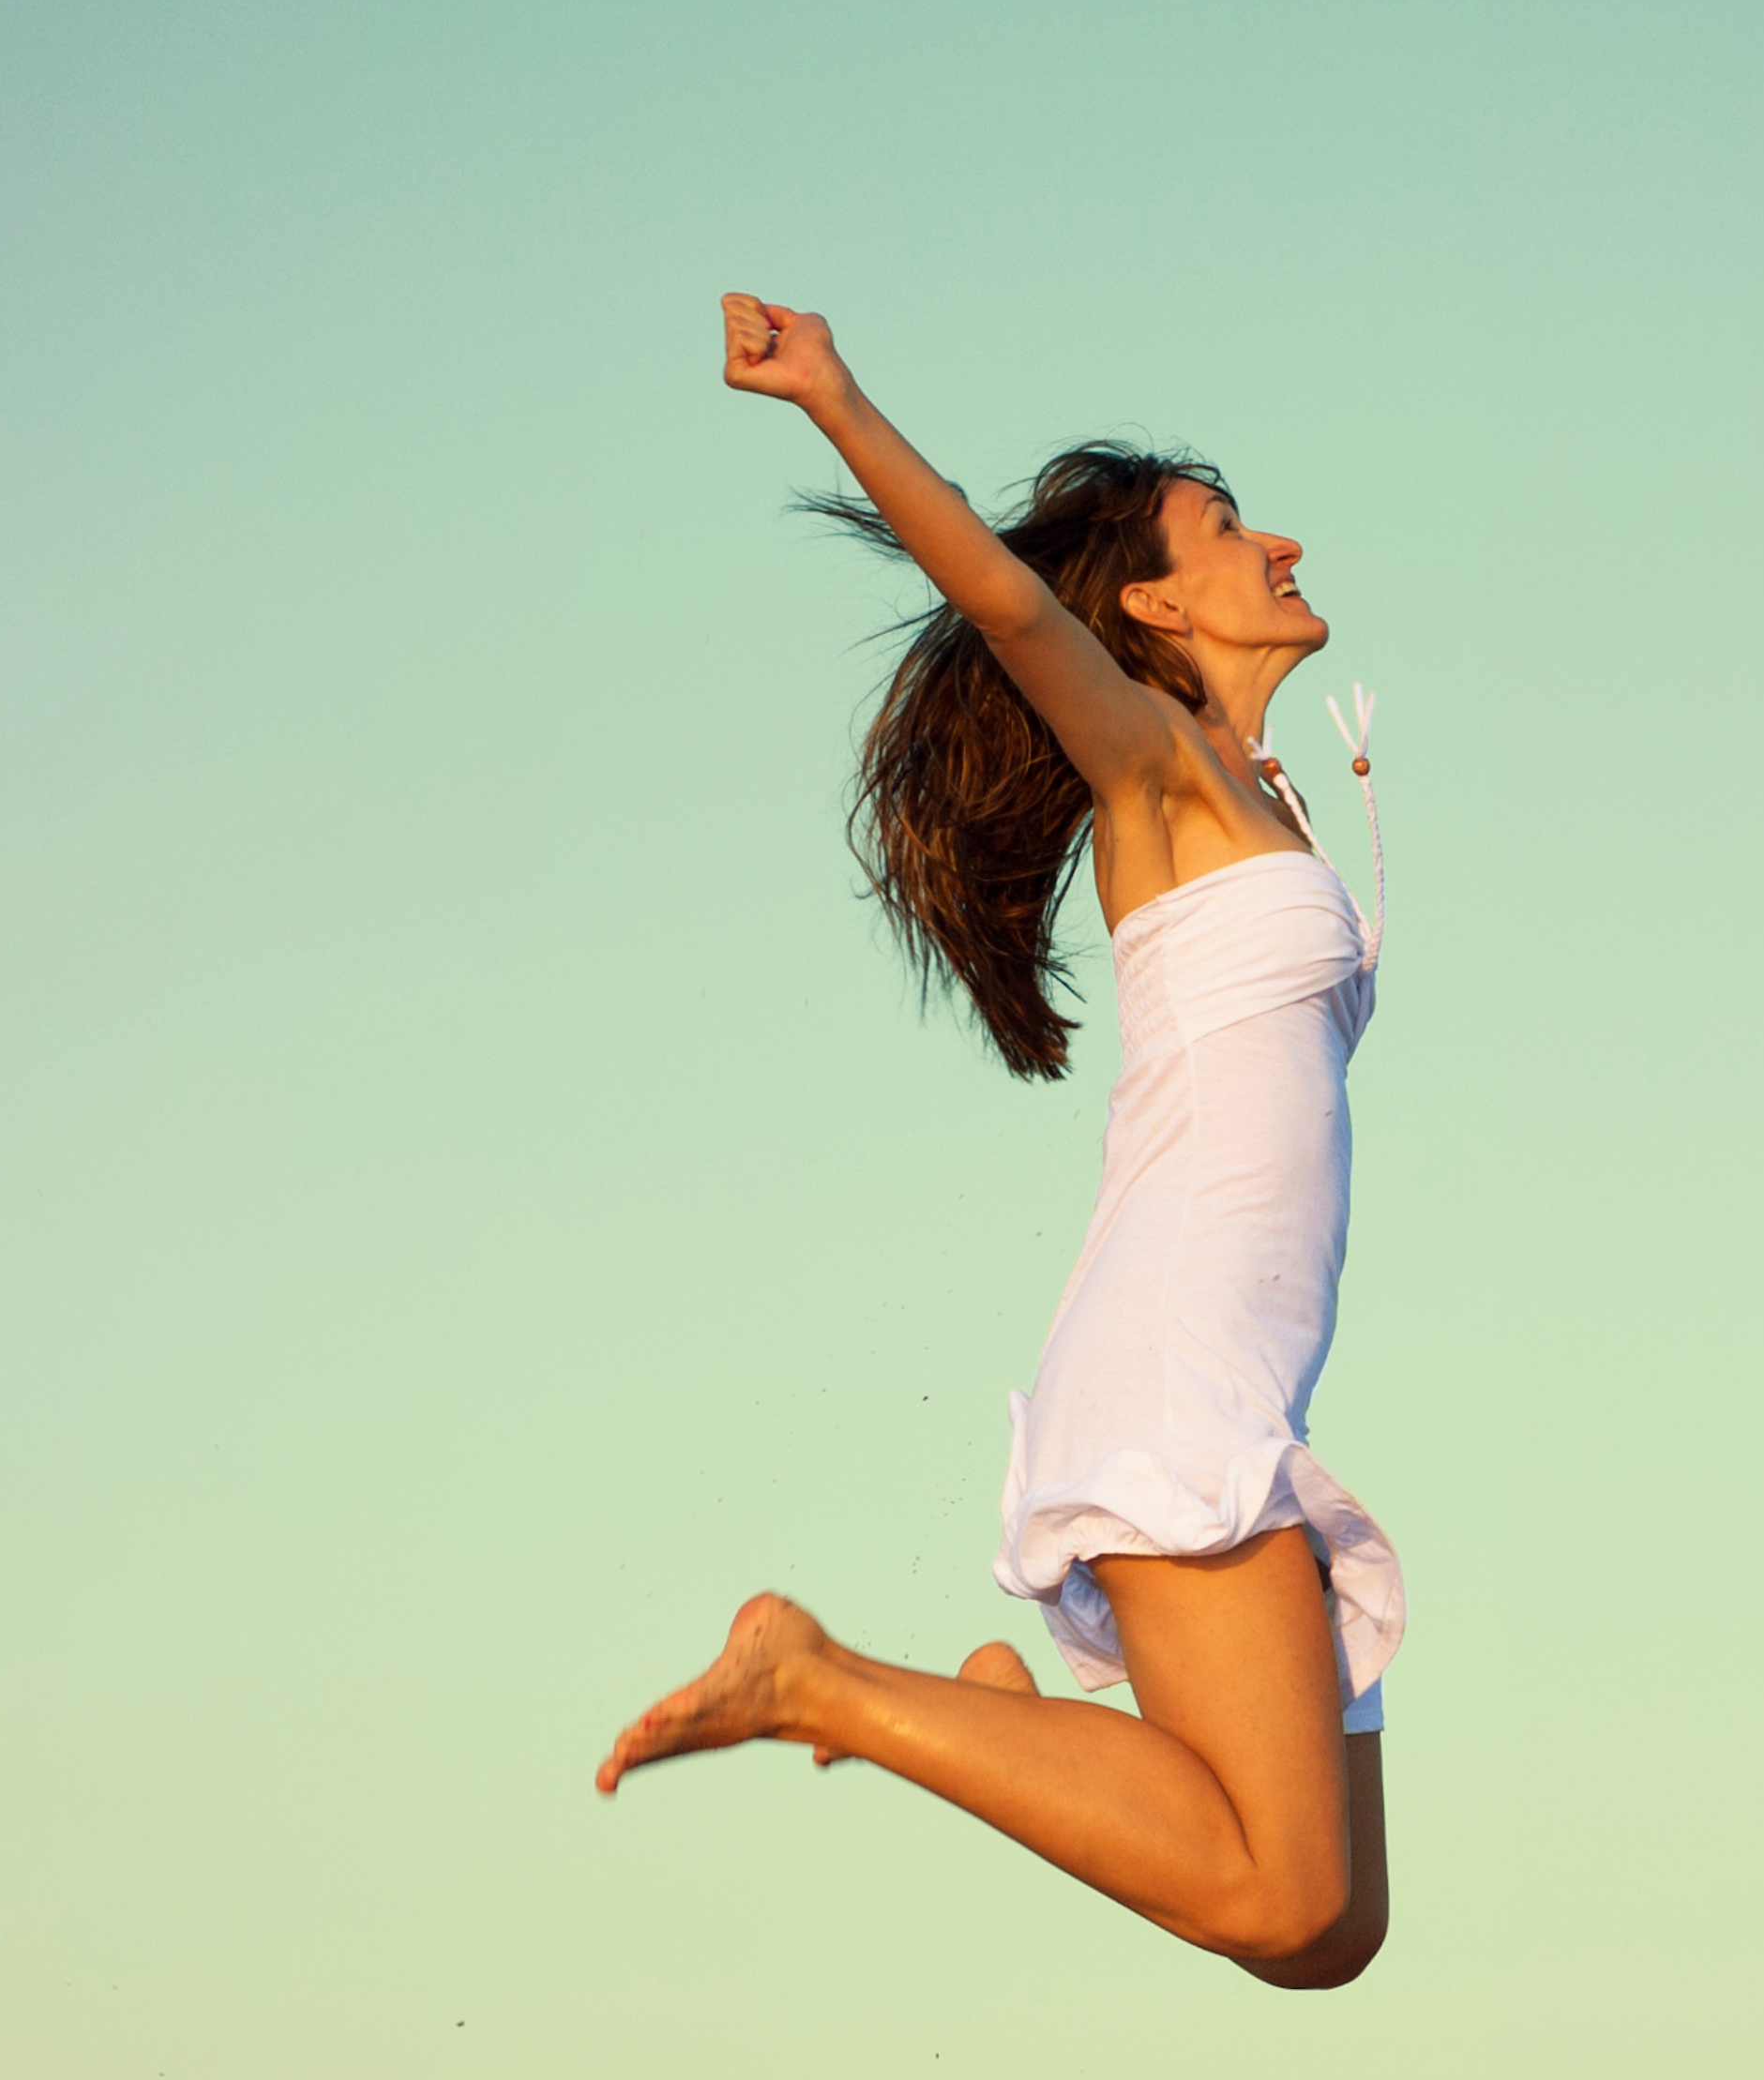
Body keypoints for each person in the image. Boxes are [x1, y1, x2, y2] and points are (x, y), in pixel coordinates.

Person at [596, 294, 1403, 1991]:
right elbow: (1009, 601)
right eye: (1227, 526)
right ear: (1155, 605)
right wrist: (832, 393)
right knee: (1271, 1894)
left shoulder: (1261, 790)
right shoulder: (1160, 770)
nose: (1282, 541)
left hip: (1248, 1368)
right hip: (1180, 1362)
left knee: (1333, 1928)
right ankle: (821, 1682)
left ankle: (989, 1726)